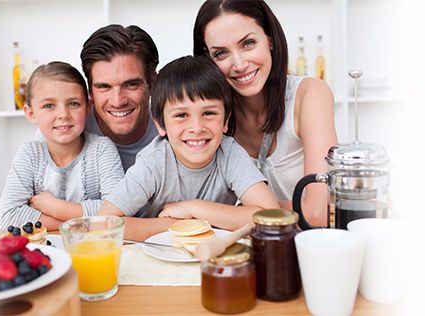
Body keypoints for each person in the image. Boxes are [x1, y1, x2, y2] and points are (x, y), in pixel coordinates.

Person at [193, 0, 337, 227]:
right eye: (221, 53)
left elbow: (316, 214)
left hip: (309, 247)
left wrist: (214, 212)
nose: (239, 64)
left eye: (248, 43)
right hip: (246, 249)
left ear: (269, 38)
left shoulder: (309, 94)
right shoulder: (209, 116)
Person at [100, 55, 280, 233]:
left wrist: (195, 209)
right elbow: (104, 223)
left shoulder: (230, 153)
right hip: (155, 254)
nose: (196, 127)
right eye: (181, 115)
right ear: (161, 124)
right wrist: (178, 225)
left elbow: (272, 217)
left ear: (225, 121)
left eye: (209, 113)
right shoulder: (153, 162)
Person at [0, 62, 125, 230]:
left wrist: (55, 208)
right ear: (31, 113)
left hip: (93, 249)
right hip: (44, 251)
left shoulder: (102, 150)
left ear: (88, 107)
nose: (63, 114)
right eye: (49, 106)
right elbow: (9, 216)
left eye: (73, 103)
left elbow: (117, 211)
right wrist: (76, 226)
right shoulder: (30, 154)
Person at [80, 24, 161, 171]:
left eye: (131, 84)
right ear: (90, 91)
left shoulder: (176, 131)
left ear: (153, 83)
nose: (118, 102)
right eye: (104, 87)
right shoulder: (65, 128)